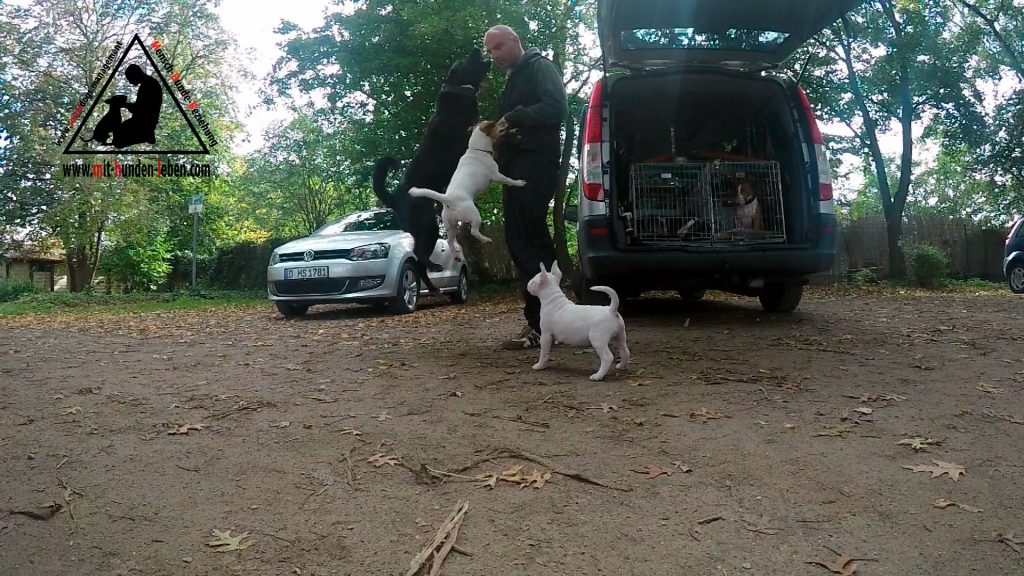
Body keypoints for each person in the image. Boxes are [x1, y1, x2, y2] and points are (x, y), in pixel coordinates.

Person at [483, 24, 567, 350]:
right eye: (490, 51)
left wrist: (515, 117)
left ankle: (542, 324)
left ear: (516, 41)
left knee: (526, 239)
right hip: (516, 166)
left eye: (499, 47)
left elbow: (556, 108)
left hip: (535, 164)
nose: (494, 56)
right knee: (529, 239)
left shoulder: (540, 67)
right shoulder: (515, 76)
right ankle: (547, 323)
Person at [113, 63, 162, 148]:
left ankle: (146, 135)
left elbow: (140, 109)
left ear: (135, 75)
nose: (130, 82)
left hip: (143, 122)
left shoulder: (147, 86)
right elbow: (141, 107)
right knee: (118, 138)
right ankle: (147, 135)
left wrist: (124, 105)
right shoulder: (149, 83)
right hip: (145, 121)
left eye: (130, 79)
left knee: (118, 139)